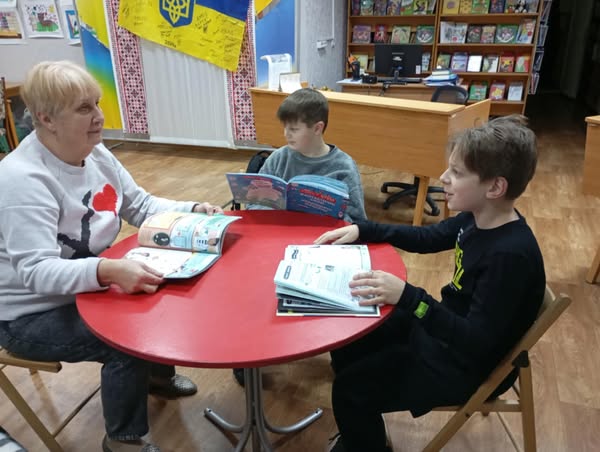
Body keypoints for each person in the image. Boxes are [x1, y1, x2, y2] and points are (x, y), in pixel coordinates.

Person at [0, 61, 224, 452]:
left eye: (97, 103)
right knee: (124, 339)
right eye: (84, 108)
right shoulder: (21, 180)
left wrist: (191, 209)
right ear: (47, 119)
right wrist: (107, 270)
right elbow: (37, 272)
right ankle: (123, 439)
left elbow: (140, 205)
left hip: (83, 287)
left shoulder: (97, 152)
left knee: (156, 292)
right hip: (28, 313)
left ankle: (155, 377)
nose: (99, 116)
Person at [314, 115, 546, 452]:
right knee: (349, 334)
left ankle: (365, 440)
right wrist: (364, 229)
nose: (443, 177)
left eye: (457, 172)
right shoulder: (478, 217)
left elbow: (476, 342)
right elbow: (427, 238)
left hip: (463, 364)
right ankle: (363, 430)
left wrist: (409, 297)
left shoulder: (509, 257)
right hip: (443, 333)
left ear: (495, 187)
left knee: (350, 390)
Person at [233, 87, 368, 386]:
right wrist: (270, 206)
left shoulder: (343, 166)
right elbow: (254, 204)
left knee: (334, 289)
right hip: (274, 242)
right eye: (285, 127)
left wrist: (330, 219)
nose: (286, 135)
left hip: (321, 248)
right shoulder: (280, 158)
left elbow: (358, 220)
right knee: (251, 287)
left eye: (294, 129)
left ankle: (339, 349)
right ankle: (247, 353)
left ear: (318, 128)